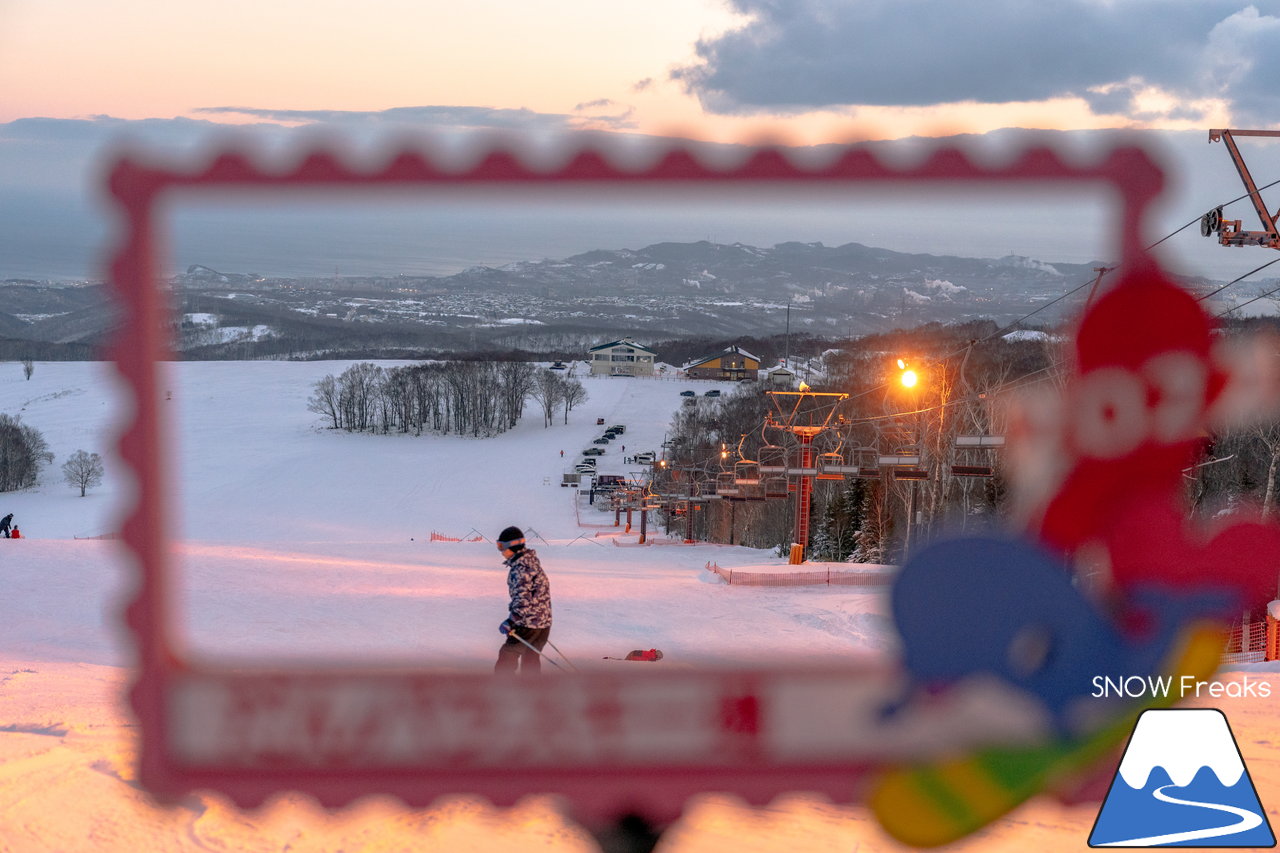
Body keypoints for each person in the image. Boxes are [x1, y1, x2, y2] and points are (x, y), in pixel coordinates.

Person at [494, 525, 552, 675]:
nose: (500, 551)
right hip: (543, 624)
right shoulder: (531, 562)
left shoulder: (520, 569)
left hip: (528, 624)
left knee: (507, 658)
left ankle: (502, 692)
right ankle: (533, 692)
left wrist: (511, 621)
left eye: (501, 546)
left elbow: (523, 601)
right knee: (530, 661)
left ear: (511, 546)